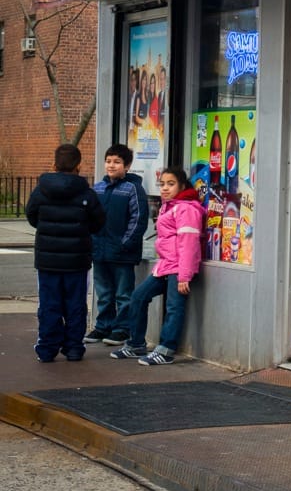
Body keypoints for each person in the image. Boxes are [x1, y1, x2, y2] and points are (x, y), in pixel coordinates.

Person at [111, 166, 205, 365]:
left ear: (182, 186)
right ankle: (136, 344)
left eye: (171, 184)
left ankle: (166, 350)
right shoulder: (169, 206)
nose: (165, 188)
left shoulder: (186, 208)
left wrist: (184, 276)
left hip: (179, 268)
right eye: (162, 184)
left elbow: (189, 244)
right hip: (165, 265)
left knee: (174, 307)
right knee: (138, 297)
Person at [25, 143, 106, 362]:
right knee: (75, 304)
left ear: (54, 164)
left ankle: (47, 348)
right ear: (78, 165)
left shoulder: (41, 191)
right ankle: (74, 348)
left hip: (47, 259)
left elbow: (31, 215)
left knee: (49, 304)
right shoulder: (87, 194)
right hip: (77, 260)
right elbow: (98, 222)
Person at [84, 144, 150, 346]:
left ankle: (122, 329)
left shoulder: (133, 189)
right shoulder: (98, 188)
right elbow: (89, 217)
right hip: (99, 251)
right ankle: (103, 326)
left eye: (117, 162)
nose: (111, 165)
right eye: (108, 161)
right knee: (103, 293)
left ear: (127, 166)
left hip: (122, 253)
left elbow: (138, 219)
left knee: (123, 294)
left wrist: (125, 243)